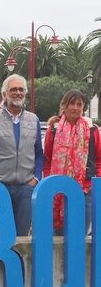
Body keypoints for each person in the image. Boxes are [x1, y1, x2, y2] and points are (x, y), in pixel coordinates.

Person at [0, 74, 43, 237]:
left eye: (21, 90)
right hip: (0, 189)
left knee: (21, 240)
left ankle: (19, 264)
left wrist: (36, 178)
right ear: (5, 94)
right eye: (13, 89)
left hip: (26, 189)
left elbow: (39, 154)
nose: (17, 93)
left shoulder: (34, 120)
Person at [43, 89, 101, 234]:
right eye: (71, 104)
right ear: (64, 105)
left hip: (85, 189)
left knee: (80, 235)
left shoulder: (92, 130)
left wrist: (96, 179)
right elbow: (47, 158)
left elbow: (99, 158)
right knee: (59, 236)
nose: (75, 107)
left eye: (79, 104)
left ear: (83, 108)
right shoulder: (54, 129)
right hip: (58, 189)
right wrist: (48, 179)